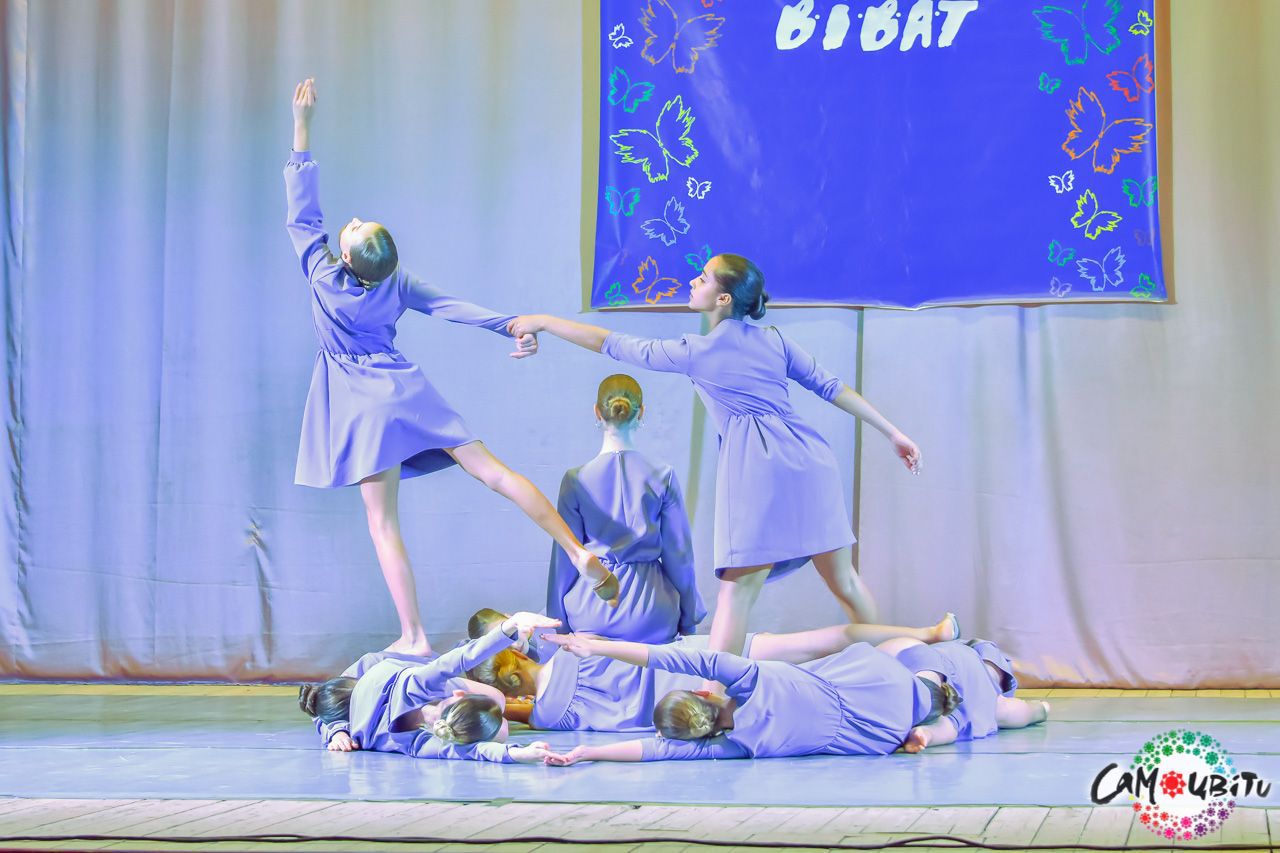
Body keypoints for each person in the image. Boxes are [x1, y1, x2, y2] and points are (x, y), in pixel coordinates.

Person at [285, 78, 617, 655]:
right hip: (404, 390)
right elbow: (453, 308)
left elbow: (302, 210)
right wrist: (512, 325)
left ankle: (414, 636)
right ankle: (576, 549)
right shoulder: (397, 282)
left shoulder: (320, 271)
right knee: (493, 472)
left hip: (361, 405)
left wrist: (302, 125)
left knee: (383, 524)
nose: (353, 219)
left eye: (355, 227)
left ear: (348, 256)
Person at [510, 253, 920, 684]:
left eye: (702, 278)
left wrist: (544, 321)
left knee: (736, 594)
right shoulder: (775, 340)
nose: (693, 281)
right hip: (811, 460)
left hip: (757, 469)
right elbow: (831, 386)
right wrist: (892, 431)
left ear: (723, 298)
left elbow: (610, 343)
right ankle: (893, 671)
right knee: (844, 581)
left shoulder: (697, 351)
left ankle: (712, 698)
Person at [468, 610, 960, 733]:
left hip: (703, 700)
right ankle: (926, 634)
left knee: (823, 678)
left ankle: (916, 659)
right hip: (705, 659)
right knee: (824, 641)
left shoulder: (550, 717)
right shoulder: (579, 647)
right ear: (523, 655)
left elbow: (497, 709)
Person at [537, 631, 958, 764]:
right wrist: (597, 646)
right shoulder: (748, 677)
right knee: (902, 651)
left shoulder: (739, 746)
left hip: (879, 732)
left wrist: (586, 752)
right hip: (873, 680)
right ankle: (940, 672)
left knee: (940, 716)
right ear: (702, 692)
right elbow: (665, 656)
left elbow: (654, 751)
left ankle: (938, 718)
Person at [547, 374, 705, 644]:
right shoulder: (663, 475)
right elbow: (679, 555)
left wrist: (557, 623)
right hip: (652, 611)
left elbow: (565, 558)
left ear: (597, 412)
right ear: (640, 412)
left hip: (593, 608)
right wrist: (689, 616)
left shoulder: (575, 480)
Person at [297, 611, 560, 763]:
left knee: (497, 702)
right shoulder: (403, 735)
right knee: (499, 728)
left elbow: (461, 658)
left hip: (403, 676)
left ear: (459, 694)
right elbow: (466, 749)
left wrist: (510, 626)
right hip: (395, 692)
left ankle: (499, 709)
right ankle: (496, 714)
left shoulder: (410, 696)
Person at [882, 638, 1049, 753]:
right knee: (1004, 709)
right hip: (957, 662)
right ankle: (1040, 709)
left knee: (1004, 710)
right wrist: (924, 734)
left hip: (956, 664)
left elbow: (948, 728)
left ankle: (1040, 709)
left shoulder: (958, 707)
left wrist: (925, 734)